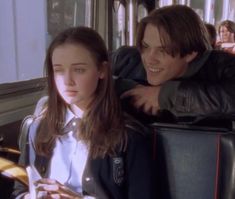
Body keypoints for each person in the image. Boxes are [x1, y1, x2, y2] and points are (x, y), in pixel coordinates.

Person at [12, 27, 153, 199]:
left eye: (78, 70)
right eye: (59, 70)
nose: (67, 81)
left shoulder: (130, 137)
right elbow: (19, 192)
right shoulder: (37, 127)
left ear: (102, 70)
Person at [116, 5, 235, 126]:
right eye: (146, 46)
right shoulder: (125, 60)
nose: (149, 58)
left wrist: (165, 96)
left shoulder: (223, 67)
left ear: (190, 53)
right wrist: (130, 88)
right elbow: (99, 72)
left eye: (162, 50)